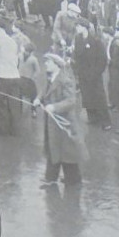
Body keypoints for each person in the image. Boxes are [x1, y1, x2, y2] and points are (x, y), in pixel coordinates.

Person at [37, 53, 87, 187]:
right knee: (53, 149)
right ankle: (51, 177)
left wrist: (54, 107)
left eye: (48, 62)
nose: (46, 64)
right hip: (53, 121)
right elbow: (44, 91)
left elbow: (71, 101)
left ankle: (74, 180)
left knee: (67, 153)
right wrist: (38, 98)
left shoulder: (66, 80)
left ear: (56, 65)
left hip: (64, 122)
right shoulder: (50, 77)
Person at [0, 11, 22, 135]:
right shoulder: (11, 40)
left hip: (2, 76)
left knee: (0, 104)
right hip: (15, 75)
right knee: (13, 103)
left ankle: (1, 128)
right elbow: (17, 58)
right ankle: (15, 128)